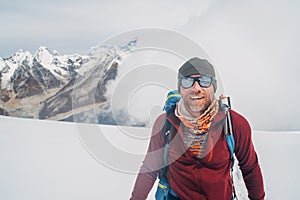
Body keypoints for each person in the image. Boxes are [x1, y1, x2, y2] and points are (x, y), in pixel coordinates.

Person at [130, 57, 265, 200]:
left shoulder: (234, 124)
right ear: (180, 88)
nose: (196, 88)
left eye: (204, 81)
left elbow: (250, 168)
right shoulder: (165, 124)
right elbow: (150, 169)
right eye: (187, 81)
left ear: (214, 86)